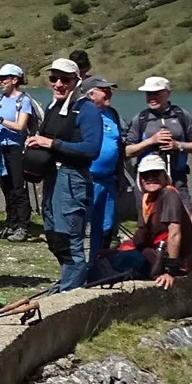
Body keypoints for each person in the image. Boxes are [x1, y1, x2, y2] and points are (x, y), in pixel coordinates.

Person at [26, 58, 102, 291]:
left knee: (69, 238)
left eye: (64, 79)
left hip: (72, 178)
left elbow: (92, 149)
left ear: (76, 81)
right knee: (54, 235)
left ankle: (72, 292)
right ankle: (70, 281)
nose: (58, 84)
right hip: (52, 177)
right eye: (53, 78)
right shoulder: (52, 107)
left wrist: (52, 143)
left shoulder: (86, 109)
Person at [103, 154, 190, 283]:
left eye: (155, 174)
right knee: (107, 255)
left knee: (112, 262)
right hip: (151, 254)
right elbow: (141, 234)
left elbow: (175, 234)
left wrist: (170, 271)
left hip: (167, 259)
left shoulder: (169, 194)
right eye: (145, 175)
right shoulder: (148, 199)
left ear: (164, 176)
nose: (150, 178)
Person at [0, 65, 39, 242]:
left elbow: (21, 126)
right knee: (6, 187)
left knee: (18, 187)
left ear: (15, 80)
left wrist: (0, 120)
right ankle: (11, 221)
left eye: (5, 78)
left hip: (16, 148)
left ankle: (23, 225)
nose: (1, 81)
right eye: (0, 78)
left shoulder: (23, 100)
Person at [124, 77, 192, 195]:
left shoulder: (181, 115)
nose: (151, 97)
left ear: (168, 93)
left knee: (183, 212)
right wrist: (151, 141)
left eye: (156, 93)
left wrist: (178, 145)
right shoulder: (140, 119)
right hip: (148, 180)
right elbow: (127, 152)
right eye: (148, 94)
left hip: (178, 179)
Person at [83, 78, 124, 259]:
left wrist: (120, 174)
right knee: (81, 225)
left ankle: (99, 262)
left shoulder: (113, 114)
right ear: (91, 94)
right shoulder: (82, 112)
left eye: (110, 90)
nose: (110, 94)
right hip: (86, 178)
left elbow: (120, 146)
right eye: (104, 90)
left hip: (109, 180)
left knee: (106, 227)